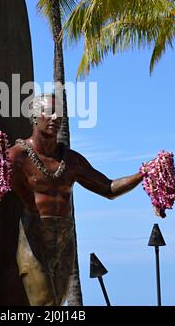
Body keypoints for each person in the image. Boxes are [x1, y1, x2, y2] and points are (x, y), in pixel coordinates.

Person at [8, 93, 146, 306]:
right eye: (49, 112)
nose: (55, 117)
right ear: (35, 117)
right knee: (46, 304)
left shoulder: (72, 160)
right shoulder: (17, 156)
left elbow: (108, 188)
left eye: (60, 113)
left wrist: (143, 174)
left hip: (65, 240)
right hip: (34, 239)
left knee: (60, 304)